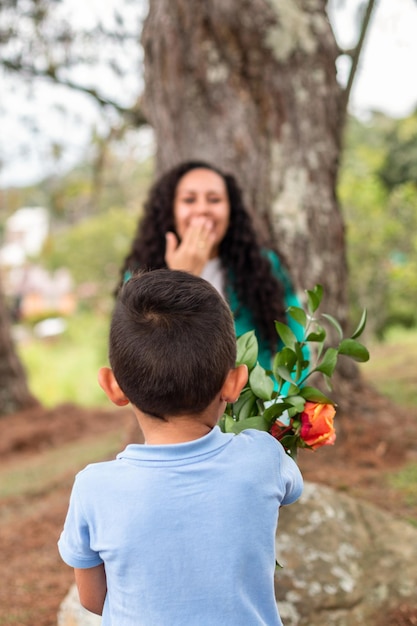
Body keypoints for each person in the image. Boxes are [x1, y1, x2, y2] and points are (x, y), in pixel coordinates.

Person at [58, 269, 303, 626]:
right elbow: (289, 489)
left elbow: (93, 600)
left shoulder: (93, 488)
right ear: (234, 383)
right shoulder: (263, 456)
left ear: (112, 387)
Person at [117, 160, 306, 372]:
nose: (202, 209)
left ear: (230, 211)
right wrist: (180, 278)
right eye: (189, 200)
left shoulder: (261, 266)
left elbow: (296, 345)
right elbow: (138, 355)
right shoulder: (141, 271)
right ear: (171, 210)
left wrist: (277, 399)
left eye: (214, 200)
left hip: (255, 400)